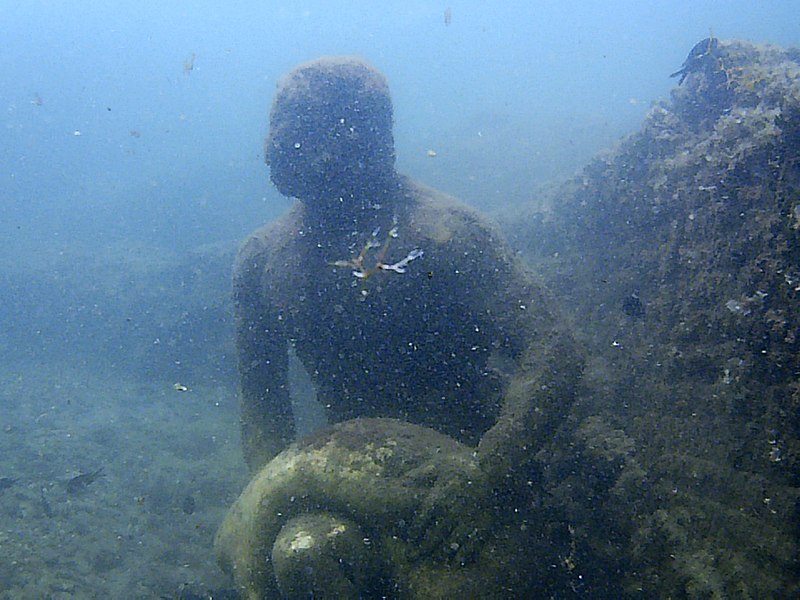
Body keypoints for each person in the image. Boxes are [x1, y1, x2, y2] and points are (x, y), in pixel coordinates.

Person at [234, 56, 580, 485]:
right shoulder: (262, 260)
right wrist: (271, 502)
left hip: (465, 468)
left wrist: (487, 468)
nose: (274, 146)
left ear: (361, 137)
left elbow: (553, 347)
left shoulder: (447, 235)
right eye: (279, 124)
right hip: (349, 483)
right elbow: (263, 406)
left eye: (298, 127)